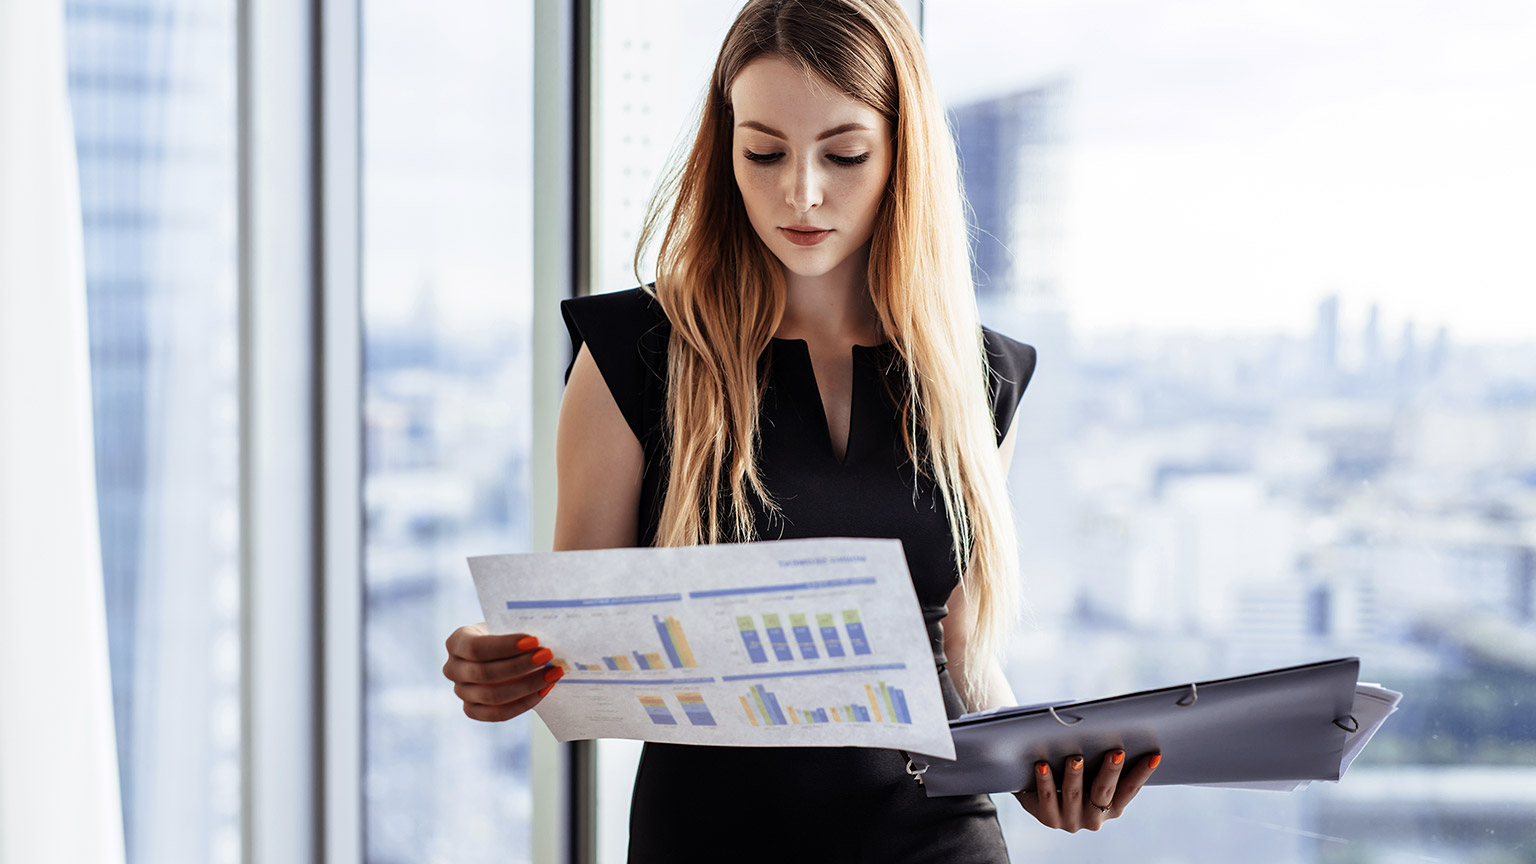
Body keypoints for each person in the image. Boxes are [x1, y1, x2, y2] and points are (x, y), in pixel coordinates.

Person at [443, 0, 1160, 858]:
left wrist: (1041, 773)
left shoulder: (980, 378)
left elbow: (961, 660)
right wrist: (503, 660)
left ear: (903, 153)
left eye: (845, 154)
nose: (801, 192)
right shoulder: (634, 357)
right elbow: (579, 643)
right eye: (764, 151)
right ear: (725, 150)